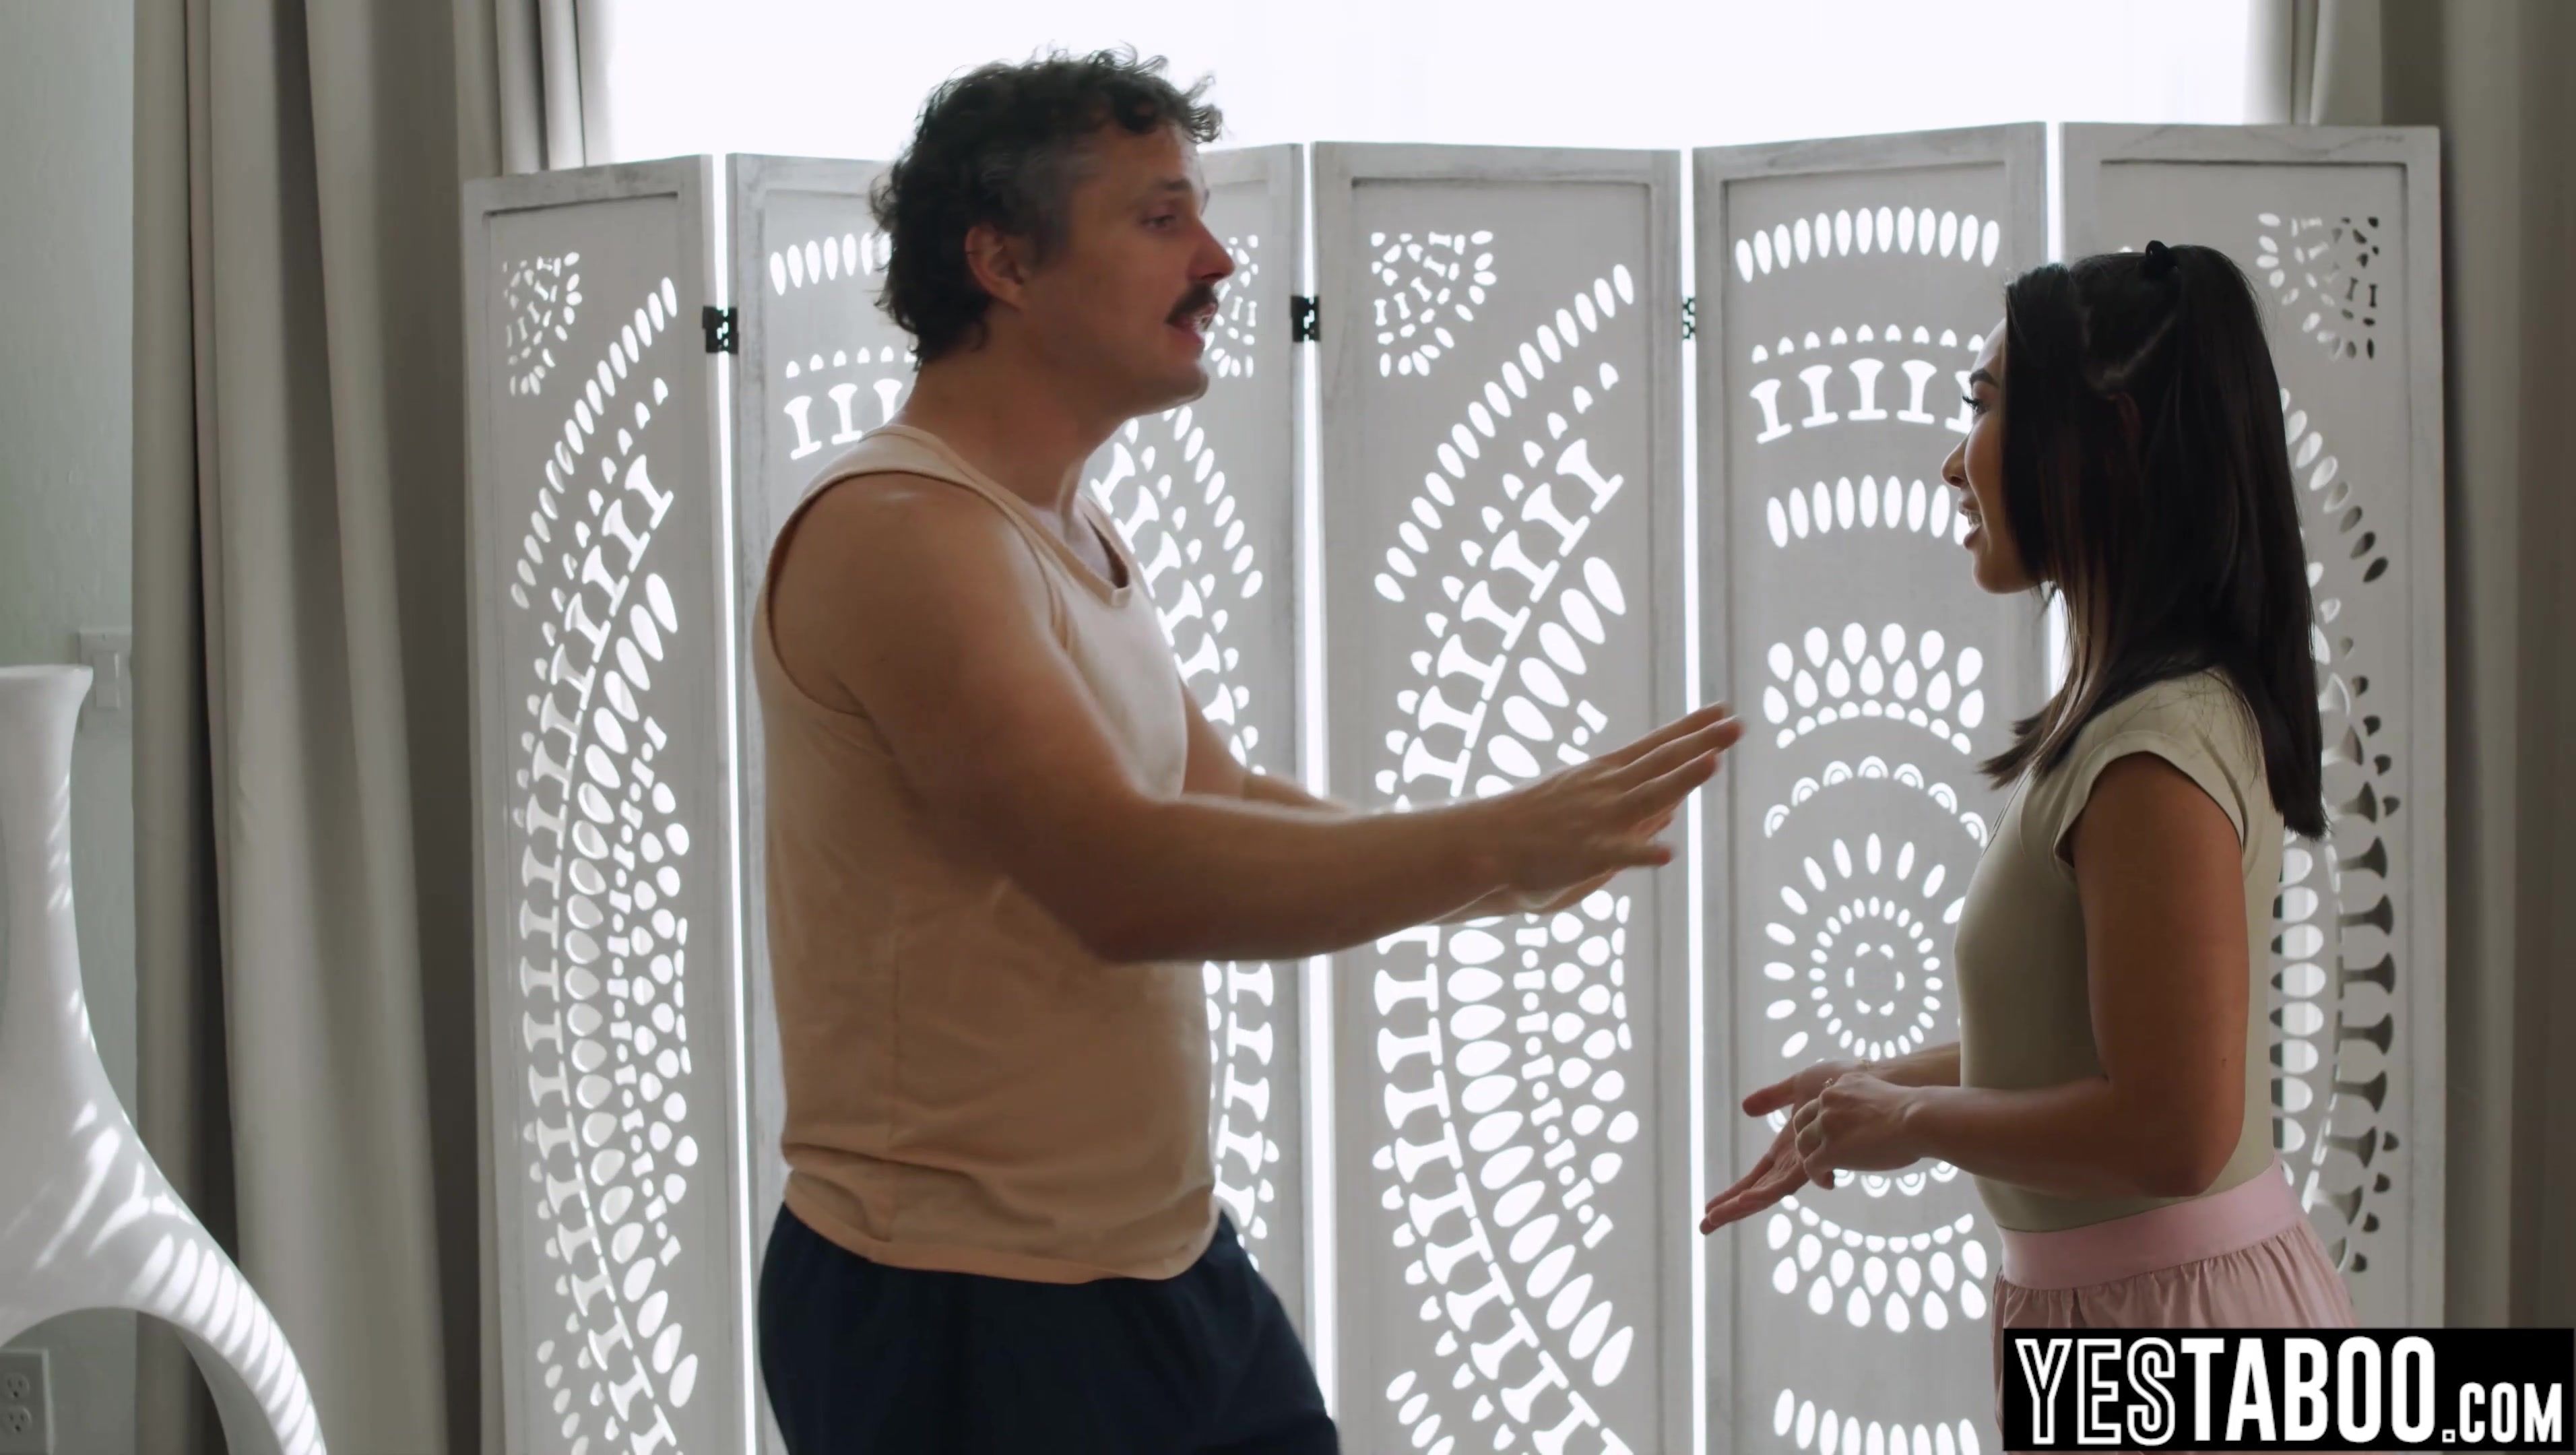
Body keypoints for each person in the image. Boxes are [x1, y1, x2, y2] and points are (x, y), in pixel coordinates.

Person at [752, 49, 1740, 1454]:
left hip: (1162, 1265)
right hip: (958, 1301)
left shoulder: (1064, 529)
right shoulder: (900, 532)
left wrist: (1497, 873)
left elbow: (1217, 801)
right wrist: (1489, 845)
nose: (1217, 262)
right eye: (1161, 219)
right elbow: (1124, 883)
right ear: (1003, 260)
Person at [1698, 241, 2358, 1421]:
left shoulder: (2153, 752)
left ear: (2105, 440)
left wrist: (1910, 1119)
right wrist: (1874, 1091)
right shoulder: (2131, 729)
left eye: (1986, 405)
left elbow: (2174, 1131)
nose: (1955, 462)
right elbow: (2090, 1049)